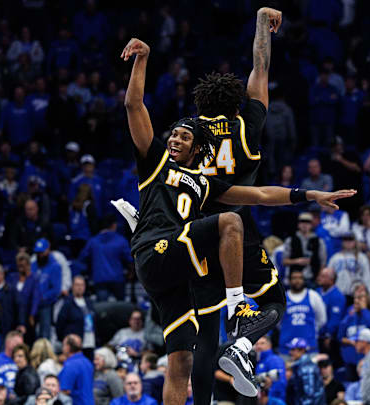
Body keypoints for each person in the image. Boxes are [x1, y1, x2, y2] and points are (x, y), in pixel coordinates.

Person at [120, 36, 353, 402]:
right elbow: (134, 105)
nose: (174, 141)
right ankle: (238, 308)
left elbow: (261, 195)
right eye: (173, 136)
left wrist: (310, 195)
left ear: (198, 149)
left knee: (181, 358)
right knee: (231, 222)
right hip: (157, 248)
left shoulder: (206, 183)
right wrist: (142, 59)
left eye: (183, 137)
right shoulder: (154, 163)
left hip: (173, 273)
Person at [75, 216, 132, 301]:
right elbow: (130, 259)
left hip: (99, 278)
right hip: (117, 278)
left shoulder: (93, 241)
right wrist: (130, 273)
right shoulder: (121, 240)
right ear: (114, 225)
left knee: (102, 311)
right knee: (121, 310)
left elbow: (82, 258)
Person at [279, 270, 327, 352]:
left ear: (304, 280)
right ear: (289, 281)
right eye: (294, 278)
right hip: (287, 347)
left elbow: (322, 320)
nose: (297, 280)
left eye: (300, 278)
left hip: (309, 346)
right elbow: (278, 322)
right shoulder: (283, 298)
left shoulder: (313, 296)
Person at [55, 276, 96, 356]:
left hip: (90, 342)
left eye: (82, 285)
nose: (80, 287)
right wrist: (66, 340)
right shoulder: (67, 303)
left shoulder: (89, 302)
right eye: (77, 285)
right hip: (75, 345)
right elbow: (60, 324)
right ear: (72, 286)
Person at [283, 212, 328, 282]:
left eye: (307, 222)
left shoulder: (319, 241)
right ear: (298, 224)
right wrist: (297, 261)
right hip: (295, 278)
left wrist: (319, 276)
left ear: (311, 225)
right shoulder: (290, 240)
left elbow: (323, 262)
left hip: (313, 277)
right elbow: (284, 261)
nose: (304, 225)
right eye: (302, 222)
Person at [31, 238, 62, 340]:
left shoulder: (55, 266)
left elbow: (56, 289)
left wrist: (42, 297)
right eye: (38, 252)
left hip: (46, 305)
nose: (40, 255)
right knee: (31, 333)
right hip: (31, 305)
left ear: (48, 250)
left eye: (42, 252)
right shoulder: (33, 265)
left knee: (44, 333)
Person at [327, 231, 370, 296]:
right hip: (339, 293)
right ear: (342, 242)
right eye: (345, 240)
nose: (348, 242)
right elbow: (329, 276)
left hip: (356, 293)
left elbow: (367, 275)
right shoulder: (335, 258)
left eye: (350, 239)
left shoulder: (362, 257)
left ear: (355, 242)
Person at [285, 338, 326, 405]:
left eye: (293, 350)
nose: (290, 352)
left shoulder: (307, 368)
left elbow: (309, 394)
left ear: (302, 350)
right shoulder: (299, 366)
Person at [59, 334, 94, 405]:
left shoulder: (70, 365)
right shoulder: (87, 362)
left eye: (63, 345)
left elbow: (65, 390)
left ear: (68, 347)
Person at [0, 263, 21, 337]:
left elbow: (19, 308)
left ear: (2, 275)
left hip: (8, 330)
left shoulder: (11, 290)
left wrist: (21, 324)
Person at [254, 336, 286, 401]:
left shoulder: (274, 359)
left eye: (262, 343)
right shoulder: (259, 361)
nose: (259, 346)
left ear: (269, 345)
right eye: (257, 344)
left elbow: (280, 382)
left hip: (273, 399)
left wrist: (270, 399)